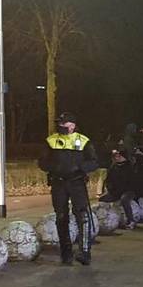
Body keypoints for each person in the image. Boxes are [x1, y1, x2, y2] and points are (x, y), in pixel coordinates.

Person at [39, 112, 98, 265]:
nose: (60, 126)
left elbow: (94, 162)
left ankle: (85, 252)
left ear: (72, 125)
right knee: (61, 217)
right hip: (58, 183)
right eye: (59, 123)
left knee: (83, 216)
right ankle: (66, 254)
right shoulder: (51, 141)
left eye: (63, 124)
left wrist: (80, 167)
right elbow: (42, 162)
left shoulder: (83, 141)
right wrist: (55, 167)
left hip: (77, 182)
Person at [103, 148, 139, 229]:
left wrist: (125, 189)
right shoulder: (113, 167)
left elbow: (133, 182)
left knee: (124, 200)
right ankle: (106, 219)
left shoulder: (129, 167)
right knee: (103, 199)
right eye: (116, 156)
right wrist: (110, 189)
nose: (117, 157)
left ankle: (131, 220)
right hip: (115, 191)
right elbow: (108, 180)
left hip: (128, 191)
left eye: (119, 156)